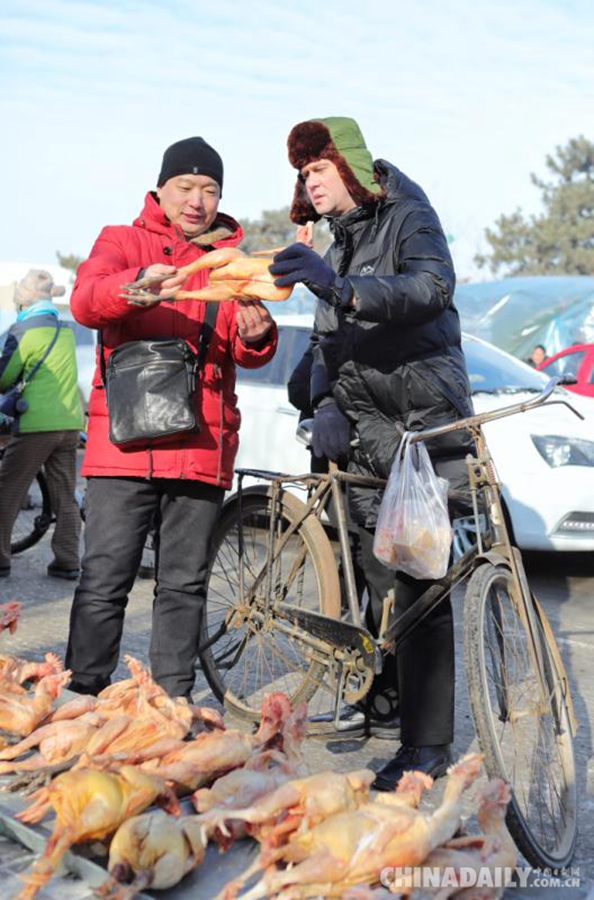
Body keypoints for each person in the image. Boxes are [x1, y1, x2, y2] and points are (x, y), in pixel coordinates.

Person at [269, 117, 474, 788]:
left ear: (349, 166)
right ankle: (381, 701)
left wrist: (341, 287)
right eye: (303, 174)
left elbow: (430, 289)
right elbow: (327, 352)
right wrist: (323, 402)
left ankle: (426, 747)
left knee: (421, 585)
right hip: (367, 434)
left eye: (319, 169)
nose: (309, 182)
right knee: (379, 581)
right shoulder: (341, 241)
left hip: (423, 423)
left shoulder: (409, 212)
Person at [65, 136, 277, 700]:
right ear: (161, 189)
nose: (197, 200)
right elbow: (86, 301)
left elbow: (242, 344)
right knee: (105, 577)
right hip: (123, 444)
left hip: (202, 442)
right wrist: (135, 288)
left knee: (184, 585)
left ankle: (172, 703)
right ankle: (83, 695)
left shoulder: (232, 261)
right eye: (185, 187)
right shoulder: (121, 240)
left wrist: (257, 336)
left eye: (210, 190)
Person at [0, 270, 84, 579]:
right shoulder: (65, 331)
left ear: (23, 301)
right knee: (65, 495)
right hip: (69, 422)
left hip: (36, 423)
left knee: (7, 488)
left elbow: (5, 378)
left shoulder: (23, 331)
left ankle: (0, 558)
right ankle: (67, 561)